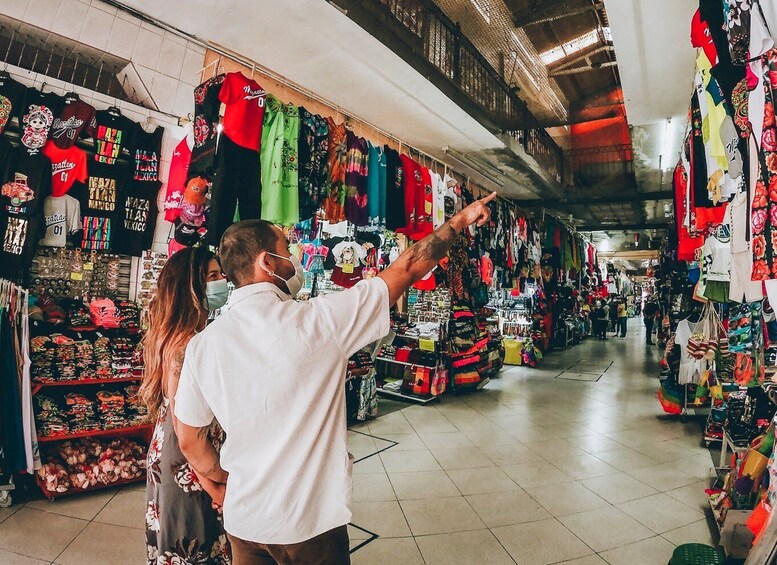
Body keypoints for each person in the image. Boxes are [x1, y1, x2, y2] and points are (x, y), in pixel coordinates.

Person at [173, 193, 496, 565]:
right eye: (285, 248)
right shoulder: (322, 322)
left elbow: (189, 438)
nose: (292, 257)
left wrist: (221, 484)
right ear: (267, 262)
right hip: (310, 523)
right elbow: (407, 268)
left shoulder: (204, 345)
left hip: (245, 521)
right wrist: (458, 222)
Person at [141, 247, 232, 565]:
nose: (223, 281)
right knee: (194, 547)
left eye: (221, 273)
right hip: (187, 461)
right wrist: (217, 482)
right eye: (213, 276)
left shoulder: (179, 335)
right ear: (190, 286)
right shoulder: (188, 343)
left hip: (180, 455)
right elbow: (187, 433)